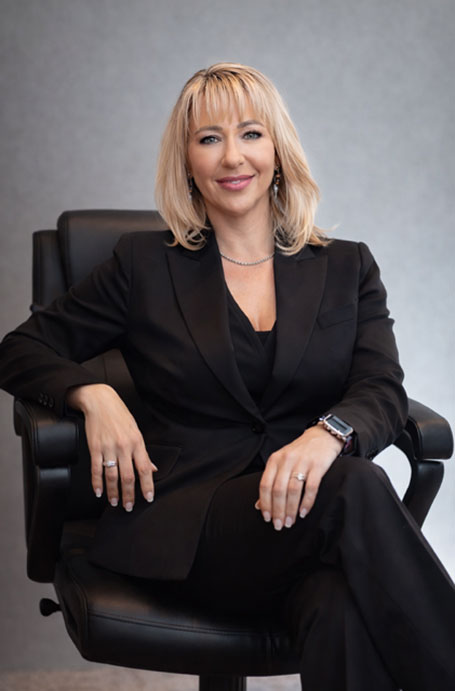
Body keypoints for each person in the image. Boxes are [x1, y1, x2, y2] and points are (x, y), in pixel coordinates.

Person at [0, 62, 453, 690]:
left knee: (338, 605)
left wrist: (328, 434)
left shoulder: (347, 267)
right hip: (192, 526)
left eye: (251, 134)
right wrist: (92, 393)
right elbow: (19, 348)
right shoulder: (143, 265)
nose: (232, 156)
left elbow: (380, 387)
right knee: (355, 486)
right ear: (188, 162)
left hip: (305, 522)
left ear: (278, 150)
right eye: (209, 138)